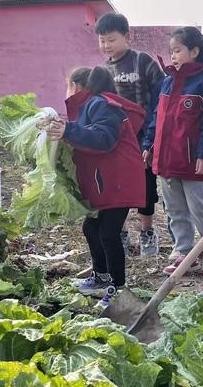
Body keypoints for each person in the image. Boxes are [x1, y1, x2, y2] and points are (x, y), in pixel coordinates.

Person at [47, 66, 146, 308]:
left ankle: (118, 288)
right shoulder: (91, 106)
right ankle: (101, 277)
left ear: (78, 86)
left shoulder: (100, 104)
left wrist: (68, 130)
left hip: (117, 182)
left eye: (68, 85)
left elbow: (104, 138)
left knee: (108, 234)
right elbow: (85, 137)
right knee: (92, 228)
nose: (66, 91)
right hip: (107, 182)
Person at [143, 27, 203, 281]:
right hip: (165, 160)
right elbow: (156, 119)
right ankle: (183, 252)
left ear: (194, 51)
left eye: (177, 50)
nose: (172, 56)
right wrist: (149, 146)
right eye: (171, 51)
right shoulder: (167, 82)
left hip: (194, 162)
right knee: (175, 211)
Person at [95, 12, 165, 257]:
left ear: (126, 36)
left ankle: (147, 233)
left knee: (145, 188)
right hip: (114, 141)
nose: (106, 45)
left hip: (142, 139)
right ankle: (120, 233)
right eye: (102, 40)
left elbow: (161, 97)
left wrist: (154, 135)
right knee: (115, 188)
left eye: (111, 40)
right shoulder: (102, 71)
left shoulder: (142, 62)